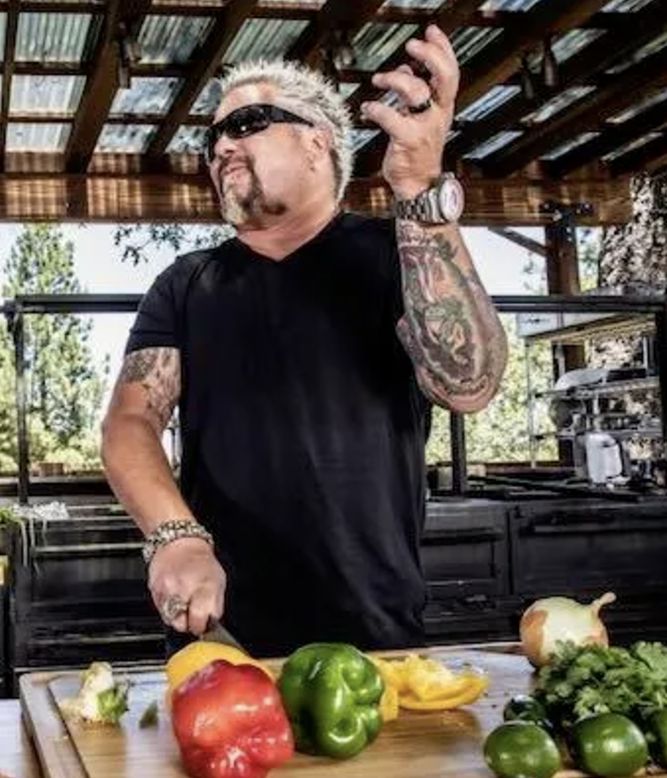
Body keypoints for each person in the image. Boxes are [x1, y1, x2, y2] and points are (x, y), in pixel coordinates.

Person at [101, 26, 508, 658]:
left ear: (317, 143)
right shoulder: (186, 284)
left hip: (374, 637)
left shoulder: (398, 253)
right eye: (213, 138)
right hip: (219, 636)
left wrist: (418, 191)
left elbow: (469, 384)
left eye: (247, 124)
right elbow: (130, 422)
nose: (221, 147)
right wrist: (175, 536)